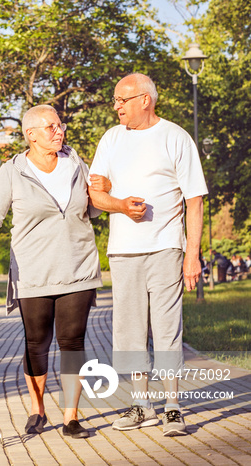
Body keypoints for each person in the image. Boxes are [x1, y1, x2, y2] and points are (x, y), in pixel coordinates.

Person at [0, 104, 107, 439]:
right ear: (31, 134)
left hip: (78, 265)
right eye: (50, 127)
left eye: (60, 125)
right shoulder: (12, 171)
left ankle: (71, 417)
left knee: (72, 341)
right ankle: (37, 410)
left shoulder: (77, 163)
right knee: (37, 342)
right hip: (32, 270)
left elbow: (94, 208)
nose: (59, 131)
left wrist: (106, 192)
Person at [88, 73, 208, 437]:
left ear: (145, 100)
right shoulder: (111, 139)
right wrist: (121, 206)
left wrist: (192, 254)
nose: (116, 107)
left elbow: (195, 199)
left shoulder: (175, 137)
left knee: (167, 327)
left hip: (165, 247)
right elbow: (96, 195)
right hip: (123, 251)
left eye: (122, 100)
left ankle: (172, 407)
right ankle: (142, 406)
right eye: (114, 100)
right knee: (129, 330)